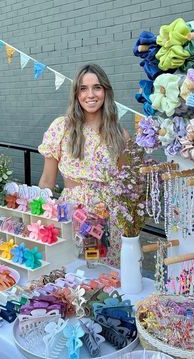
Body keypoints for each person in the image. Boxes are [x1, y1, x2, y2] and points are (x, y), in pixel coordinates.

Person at [38, 63, 131, 267]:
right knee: (68, 277)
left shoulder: (120, 135)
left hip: (108, 219)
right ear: (76, 94)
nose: (90, 94)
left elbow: (124, 186)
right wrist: (38, 219)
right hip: (70, 215)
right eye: (83, 88)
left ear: (106, 91)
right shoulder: (62, 127)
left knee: (106, 280)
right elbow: (47, 180)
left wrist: (129, 228)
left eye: (97, 87)